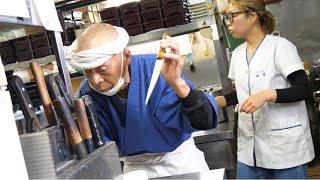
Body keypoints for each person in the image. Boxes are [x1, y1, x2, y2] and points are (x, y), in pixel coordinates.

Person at [67, 23, 219, 178]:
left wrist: (177, 82)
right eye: (88, 72)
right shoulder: (88, 94)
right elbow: (97, 149)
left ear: (126, 57)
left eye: (102, 70)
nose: (96, 80)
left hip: (179, 165)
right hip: (135, 170)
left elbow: (205, 121)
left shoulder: (159, 70)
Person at [215, 0, 315, 178]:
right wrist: (215, 102)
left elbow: (303, 89)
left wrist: (268, 95)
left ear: (252, 16)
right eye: (226, 17)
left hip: (285, 148)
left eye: (232, 16)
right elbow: (243, 93)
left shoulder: (280, 46)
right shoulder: (238, 54)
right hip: (250, 149)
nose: (228, 22)